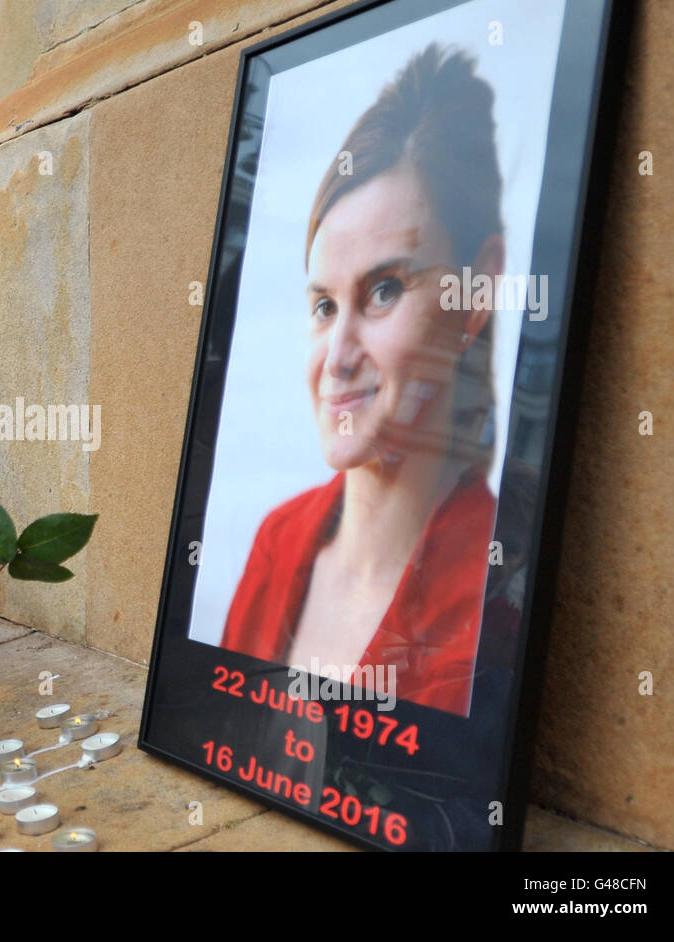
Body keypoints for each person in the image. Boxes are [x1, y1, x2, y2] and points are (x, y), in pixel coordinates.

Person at [220, 45, 502, 717]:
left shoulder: (496, 590)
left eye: (383, 290)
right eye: (323, 306)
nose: (338, 356)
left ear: (477, 289)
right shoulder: (278, 541)